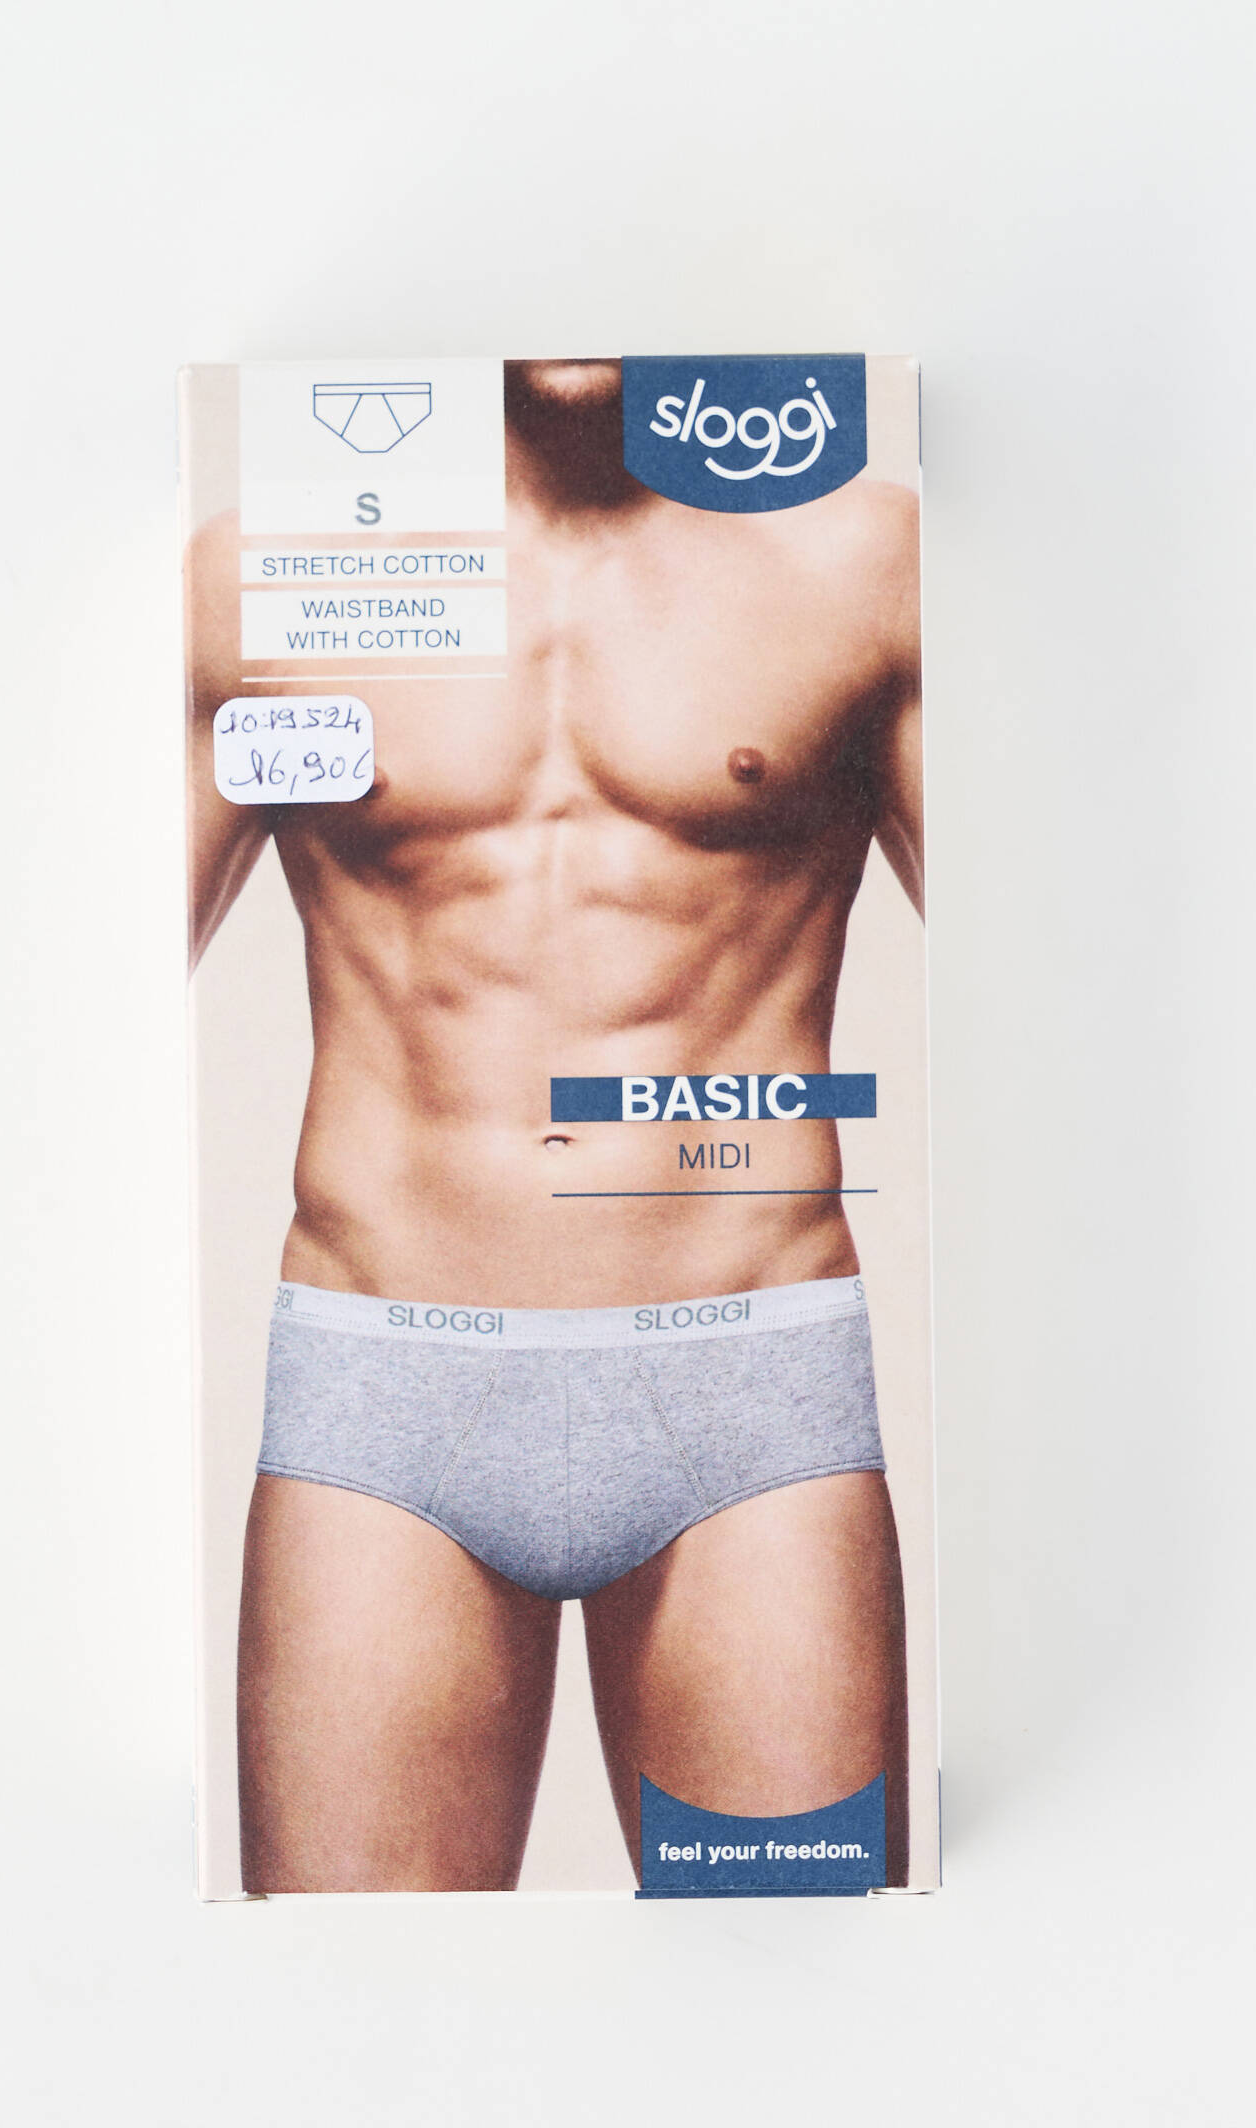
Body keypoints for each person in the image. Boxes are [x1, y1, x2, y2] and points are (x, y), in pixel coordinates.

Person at [186, 359, 923, 1893]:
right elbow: (45, 1028)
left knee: (799, 1997)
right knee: (360, 2011)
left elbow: (1068, 1011)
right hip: (388, 1400)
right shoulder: (269, 578)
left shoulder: (865, 565)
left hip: (749, 1400)